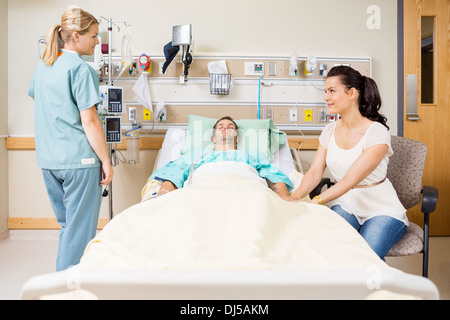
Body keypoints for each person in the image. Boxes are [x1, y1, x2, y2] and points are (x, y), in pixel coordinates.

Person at [287, 66, 408, 259]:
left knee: (365, 257)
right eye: (325, 92)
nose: (326, 97)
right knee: (331, 251)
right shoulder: (329, 131)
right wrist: (295, 199)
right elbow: (315, 171)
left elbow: (350, 179)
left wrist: (315, 201)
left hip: (381, 206)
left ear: (352, 93)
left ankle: (373, 287)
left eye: (332, 91)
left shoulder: (377, 132)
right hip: (346, 203)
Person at [27, 7, 113, 271]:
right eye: (94, 36)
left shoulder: (44, 65)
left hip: (50, 160)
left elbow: (40, 100)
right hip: (79, 161)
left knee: (68, 226)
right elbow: (90, 121)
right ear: (75, 36)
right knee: (79, 231)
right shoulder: (80, 69)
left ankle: (62, 280)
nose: (98, 42)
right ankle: (67, 288)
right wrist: (106, 162)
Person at [151, 116, 292, 198]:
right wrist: (163, 198)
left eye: (231, 127)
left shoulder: (252, 156)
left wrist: (284, 200)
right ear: (213, 138)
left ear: (237, 138)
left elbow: (275, 179)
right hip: (202, 194)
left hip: (248, 194)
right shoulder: (197, 156)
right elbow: (173, 176)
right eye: (220, 127)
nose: (225, 128)